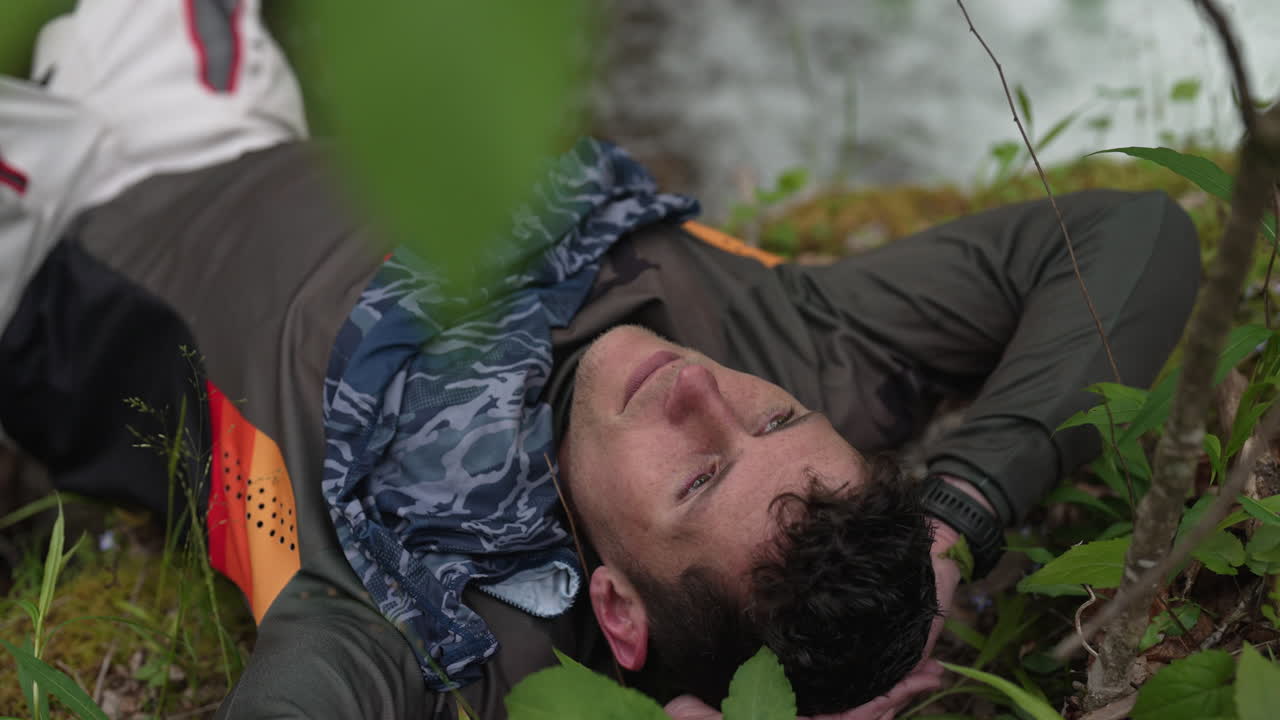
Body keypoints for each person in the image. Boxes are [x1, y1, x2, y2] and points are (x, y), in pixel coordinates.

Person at [0, 2, 1200, 718]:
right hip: (208, 128)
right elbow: (1129, 235)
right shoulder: (807, 358)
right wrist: (956, 518)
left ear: (614, 609)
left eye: (692, 478)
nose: (701, 396)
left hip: (43, 264)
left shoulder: (422, 611)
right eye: (773, 426)